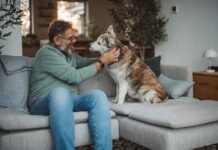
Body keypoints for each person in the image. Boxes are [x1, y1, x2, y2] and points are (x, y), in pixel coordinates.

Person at [28, 20, 120, 150]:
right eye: (71, 38)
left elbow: (85, 62)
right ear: (57, 40)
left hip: (69, 100)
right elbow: (74, 77)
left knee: (98, 96)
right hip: (42, 102)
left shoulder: (69, 55)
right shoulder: (45, 54)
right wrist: (101, 62)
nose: (74, 41)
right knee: (60, 93)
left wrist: (106, 58)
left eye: (75, 37)